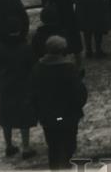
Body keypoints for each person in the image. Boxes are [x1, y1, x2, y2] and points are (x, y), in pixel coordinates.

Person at [30, 36, 88, 170]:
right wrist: (78, 106)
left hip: (48, 115)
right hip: (68, 114)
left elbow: (33, 93)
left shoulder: (38, 68)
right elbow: (78, 92)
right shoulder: (69, 68)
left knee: (53, 145)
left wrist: (38, 110)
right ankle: (67, 164)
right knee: (69, 143)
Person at [0, 16, 38, 160]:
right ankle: (26, 147)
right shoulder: (25, 47)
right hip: (23, 83)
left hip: (6, 84)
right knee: (24, 114)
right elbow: (32, 65)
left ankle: (9, 145)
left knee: (7, 114)